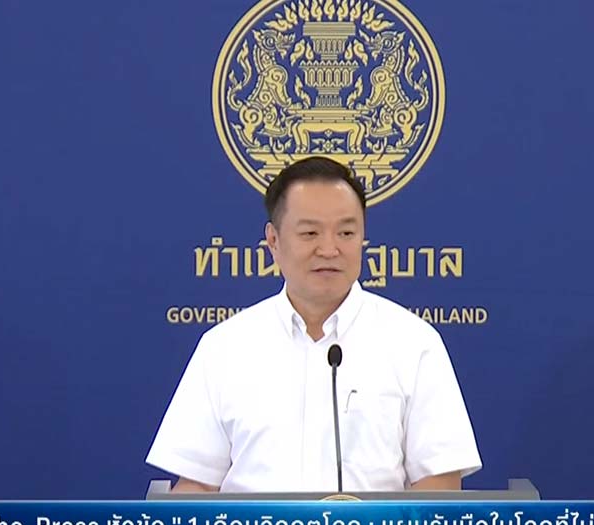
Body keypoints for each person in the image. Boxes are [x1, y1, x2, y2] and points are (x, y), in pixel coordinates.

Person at [146, 157, 481, 493]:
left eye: (346, 233)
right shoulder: (223, 347)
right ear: (273, 241)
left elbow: (439, 483)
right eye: (310, 233)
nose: (329, 249)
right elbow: (196, 486)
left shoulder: (414, 343)